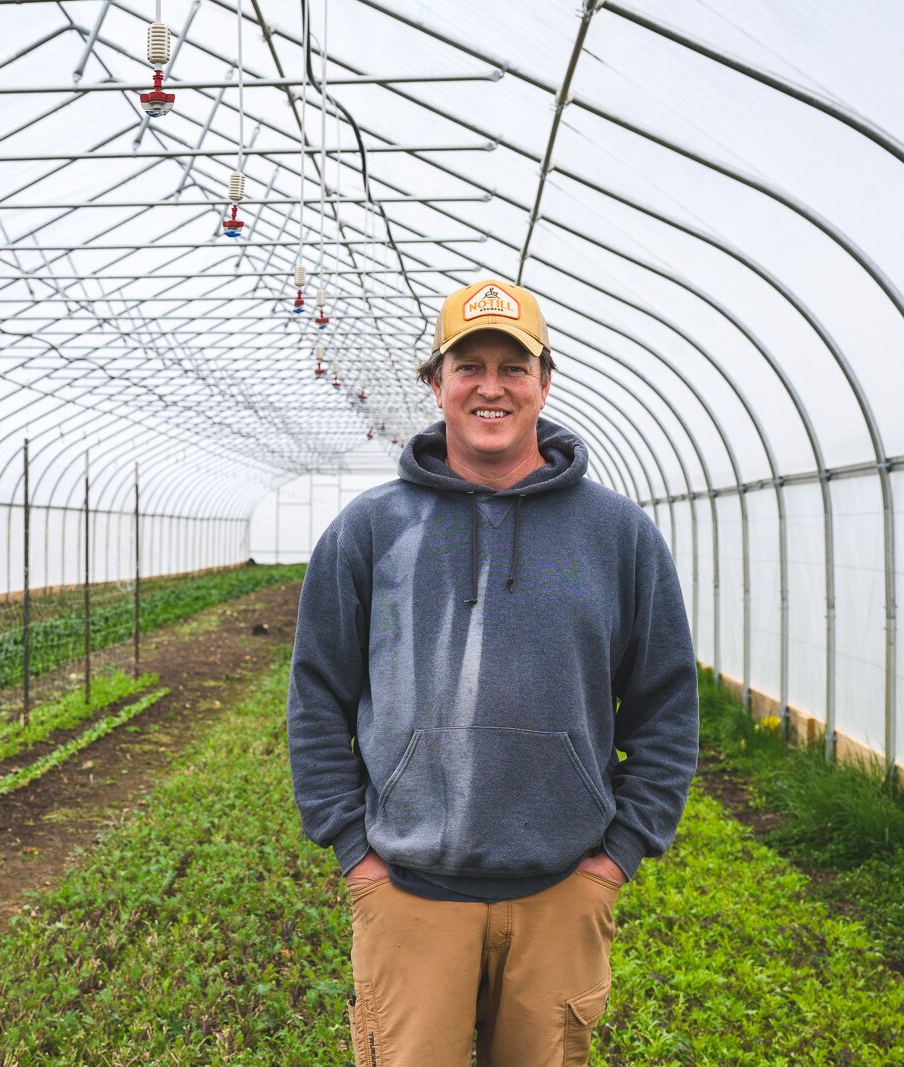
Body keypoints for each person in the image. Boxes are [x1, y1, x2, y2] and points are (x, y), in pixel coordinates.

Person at [286, 278, 699, 1066]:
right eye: (468, 364)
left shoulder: (618, 534)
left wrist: (616, 858)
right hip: (408, 894)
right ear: (436, 383)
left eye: (514, 366)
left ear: (544, 382)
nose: (491, 386)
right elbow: (316, 699)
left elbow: (666, 704)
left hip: (560, 895)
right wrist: (354, 851)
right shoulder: (371, 530)